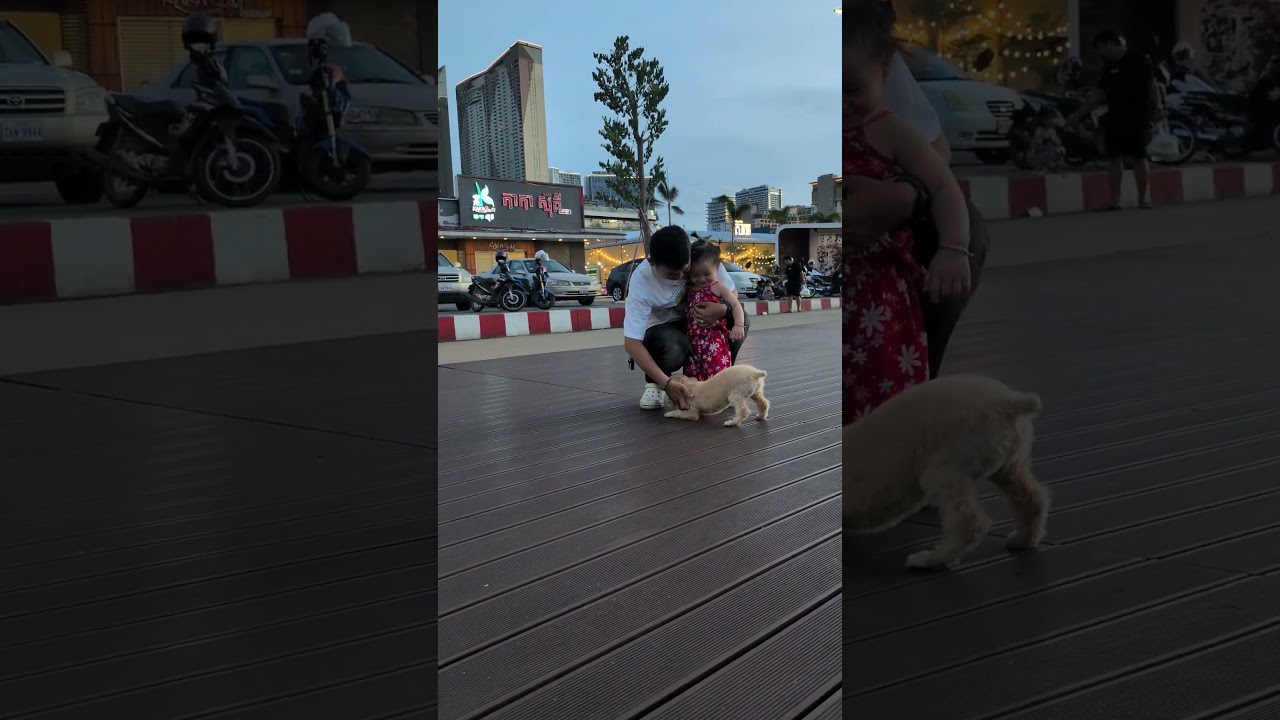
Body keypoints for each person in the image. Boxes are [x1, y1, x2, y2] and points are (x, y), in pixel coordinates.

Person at [846, 0, 987, 380]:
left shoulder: (888, 128)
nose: (839, 105)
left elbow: (942, 180)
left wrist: (953, 248)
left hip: (879, 287)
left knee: (886, 374)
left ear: (884, 69)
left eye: (851, 89)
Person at [623, 226, 748, 410]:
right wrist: (666, 383)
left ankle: (722, 378)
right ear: (652, 263)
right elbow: (631, 343)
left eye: (686, 270)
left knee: (740, 319)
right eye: (672, 275)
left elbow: (732, 292)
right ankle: (655, 383)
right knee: (673, 344)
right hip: (662, 328)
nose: (682, 277)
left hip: (698, 321)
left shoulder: (701, 255)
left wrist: (722, 309)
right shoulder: (642, 281)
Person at [1065, 31, 1165, 210]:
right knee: (1114, 157)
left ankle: (1144, 198)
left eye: (1100, 48)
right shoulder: (1108, 67)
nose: (1099, 53)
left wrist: (1158, 106)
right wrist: (1078, 114)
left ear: (1109, 44)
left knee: (1139, 156)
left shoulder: (1138, 59)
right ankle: (1115, 200)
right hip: (1116, 115)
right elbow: (1098, 94)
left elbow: (1152, 84)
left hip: (1138, 115)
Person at [683, 240, 747, 380]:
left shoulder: (718, 287)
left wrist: (739, 324)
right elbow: (678, 304)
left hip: (715, 342)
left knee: (717, 376)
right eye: (695, 275)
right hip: (693, 342)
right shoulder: (689, 288)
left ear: (717, 268)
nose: (701, 279)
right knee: (694, 377)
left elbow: (735, 304)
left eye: (706, 274)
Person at [1030, 106, 1066, 173]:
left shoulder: (1052, 130)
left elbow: (1056, 139)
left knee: (1060, 150)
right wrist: (1048, 146)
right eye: (1049, 119)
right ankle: (1042, 166)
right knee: (1050, 151)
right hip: (1040, 151)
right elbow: (1038, 144)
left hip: (1049, 149)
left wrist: (1058, 143)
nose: (1051, 121)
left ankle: (1055, 165)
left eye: (1052, 119)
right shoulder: (1039, 131)